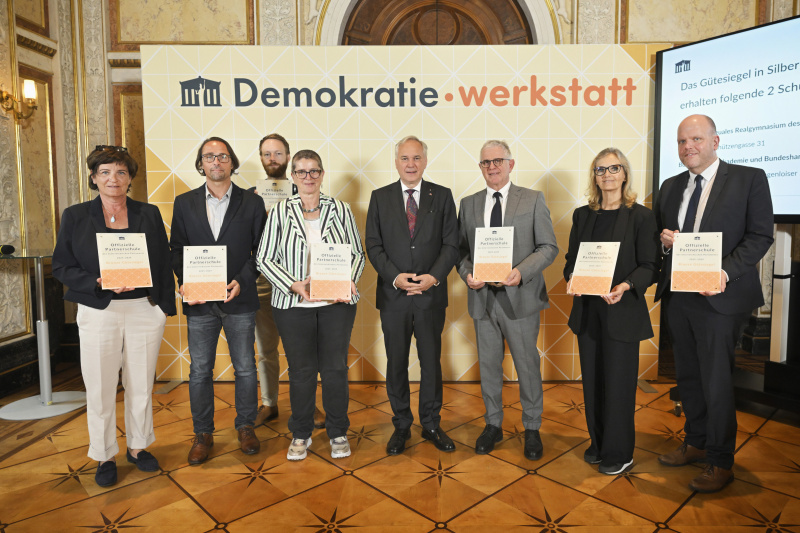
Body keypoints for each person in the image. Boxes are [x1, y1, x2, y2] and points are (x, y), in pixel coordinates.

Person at [654, 114, 773, 493]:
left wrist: (724, 273)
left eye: (696, 139)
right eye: (681, 141)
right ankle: (696, 441)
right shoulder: (670, 186)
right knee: (687, 375)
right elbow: (664, 238)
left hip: (722, 296)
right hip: (679, 295)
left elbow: (759, 236)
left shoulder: (748, 178)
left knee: (716, 380)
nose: (688, 146)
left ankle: (720, 461)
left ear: (715, 141)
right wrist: (664, 240)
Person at [53, 145, 176, 487]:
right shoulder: (76, 215)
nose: (113, 179)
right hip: (98, 310)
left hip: (143, 310)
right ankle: (104, 453)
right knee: (100, 387)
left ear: (130, 178)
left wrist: (163, 306)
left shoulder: (148, 213)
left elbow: (163, 261)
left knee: (140, 385)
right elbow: (62, 265)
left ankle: (138, 447)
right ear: (94, 178)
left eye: (121, 172)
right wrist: (96, 281)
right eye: (105, 172)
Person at [256, 149, 365, 461]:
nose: (308, 177)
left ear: (322, 174)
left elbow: (357, 253)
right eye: (301, 172)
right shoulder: (278, 212)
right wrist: (294, 284)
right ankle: (301, 433)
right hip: (292, 304)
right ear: (292, 177)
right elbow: (264, 258)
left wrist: (347, 281)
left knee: (334, 369)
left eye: (314, 171)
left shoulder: (341, 209)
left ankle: (338, 431)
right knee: (302, 371)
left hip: (337, 303)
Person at [457, 140, 558, 460]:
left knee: (527, 366)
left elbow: (548, 247)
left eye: (498, 161)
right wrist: (467, 274)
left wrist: (520, 271)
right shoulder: (469, 203)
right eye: (486, 162)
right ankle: (493, 424)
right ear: (481, 167)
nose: (492, 167)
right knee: (488, 366)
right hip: (483, 300)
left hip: (521, 297)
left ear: (511, 164)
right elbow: (461, 252)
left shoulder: (532, 199)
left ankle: (531, 427)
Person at [170, 137, 267, 464]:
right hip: (199, 303)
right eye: (209, 157)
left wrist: (241, 281)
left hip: (240, 299)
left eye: (222, 156)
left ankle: (245, 426)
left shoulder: (252, 203)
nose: (216, 162)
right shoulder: (183, 203)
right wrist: (186, 282)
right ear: (201, 164)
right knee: (199, 370)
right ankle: (203, 433)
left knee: (244, 367)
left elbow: (261, 252)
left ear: (231, 163)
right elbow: (177, 250)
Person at [563, 148, 658, 475]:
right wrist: (573, 279)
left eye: (613, 168)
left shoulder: (641, 216)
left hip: (623, 312)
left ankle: (620, 452)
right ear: (594, 176)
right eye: (600, 169)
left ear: (625, 173)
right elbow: (570, 264)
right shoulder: (582, 215)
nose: (607, 174)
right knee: (592, 383)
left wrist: (626, 286)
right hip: (588, 312)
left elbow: (650, 267)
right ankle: (598, 443)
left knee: (618, 386)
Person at [365, 136, 459, 455]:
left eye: (416, 158)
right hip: (394, 297)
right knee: (396, 363)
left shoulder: (442, 196)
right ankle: (401, 425)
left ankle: (431, 423)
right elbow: (373, 245)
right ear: (396, 162)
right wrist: (395, 277)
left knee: (431, 362)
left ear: (425, 161)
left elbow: (451, 244)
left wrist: (433, 278)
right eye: (404, 158)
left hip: (431, 296)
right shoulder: (379, 198)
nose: (410, 164)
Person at [252, 133, 326, 430]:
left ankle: (311, 404)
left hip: (305, 284)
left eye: (278, 153)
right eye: (267, 153)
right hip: (263, 282)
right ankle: (269, 403)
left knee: (308, 350)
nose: (273, 158)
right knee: (266, 348)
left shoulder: (310, 191)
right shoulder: (249, 196)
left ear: (288, 157)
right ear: (260, 158)